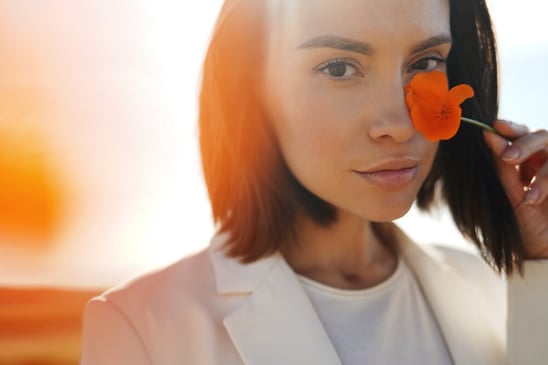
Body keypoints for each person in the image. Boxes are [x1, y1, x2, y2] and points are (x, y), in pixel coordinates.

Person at [80, 0, 548, 363]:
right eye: (339, 68)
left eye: (425, 62)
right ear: (253, 88)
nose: (400, 125)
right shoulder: (140, 328)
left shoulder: (496, 289)